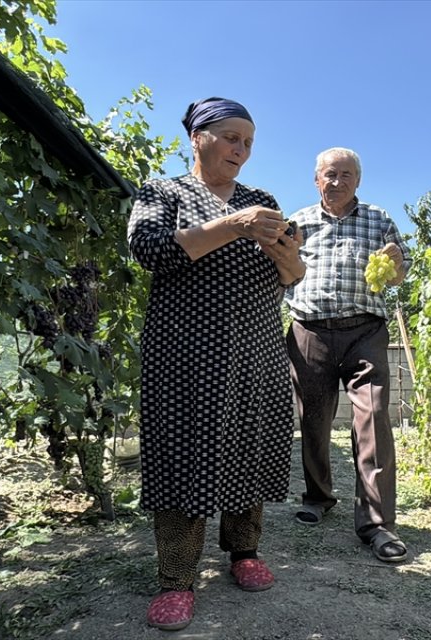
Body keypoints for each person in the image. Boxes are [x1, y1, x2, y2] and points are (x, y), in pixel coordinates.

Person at [127, 97, 305, 631]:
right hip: (184, 354)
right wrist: (234, 226)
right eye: (231, 137)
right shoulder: (164, 192)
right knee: (183, 455)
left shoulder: (261, 200)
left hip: (256, 350)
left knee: (248, 447)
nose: (241, 149)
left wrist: (286, 254)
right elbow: (151, 251)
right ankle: (177, 579)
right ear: (197, 138)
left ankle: (244, 552)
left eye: (248, 142)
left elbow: (291, 276)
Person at [284, 147, 411, 563]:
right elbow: (282, 270)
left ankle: (377, 523)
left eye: (346, 175)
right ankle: (318, 497)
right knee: (313, 418)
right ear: (316, 180)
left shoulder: (379, 219)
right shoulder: (298, 222)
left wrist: (396, 263)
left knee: (373, 418)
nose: (337, 181)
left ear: (358, 181)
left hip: (364, 331)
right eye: (329, 174)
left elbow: (398, 276)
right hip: (309, 331)